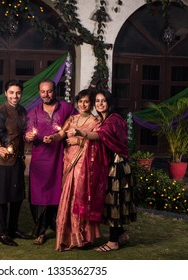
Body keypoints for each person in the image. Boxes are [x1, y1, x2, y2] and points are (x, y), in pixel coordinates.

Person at [67, 89, 137, 252]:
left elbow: (99, 136)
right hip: (108, 164)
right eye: (97, 101)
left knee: (113, 202)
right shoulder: (102, 119)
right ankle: (120, 235)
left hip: (117, 165)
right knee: (109, 200)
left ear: (109, 103)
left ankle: (113, 242)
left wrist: (80, 133)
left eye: (103, 101)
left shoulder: (114, 120)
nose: (100, 104)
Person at [43, 89, 101, 251]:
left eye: (86, 102)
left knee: (79, 196)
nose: (83, 104)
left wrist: (77, 140)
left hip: (84, 163)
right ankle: (68, 236)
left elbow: (97, 142)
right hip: (69, 161)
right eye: (80, 101)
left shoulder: (95, 121)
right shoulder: (72, 118)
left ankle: (82, 237)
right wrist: (52, 138)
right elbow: (61, 134)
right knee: (67, 194)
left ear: (91, 104)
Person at [25, 79, 77, 245]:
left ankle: (59, 228)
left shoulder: (66, 108)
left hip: (60, 157)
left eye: (49, 91)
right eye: (42, 91)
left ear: (55, 91)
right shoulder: (33, 112)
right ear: (39, 92)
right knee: (39, 194)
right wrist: (29, 136)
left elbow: (79, 121)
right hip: (40, 159)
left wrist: (65, 135)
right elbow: (27, 133)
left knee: (59, 193)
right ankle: (40, 231)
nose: (46, 95)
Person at [0, 80, 32, 246]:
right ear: (6, 93)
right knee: (2, 198)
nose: (15, 96)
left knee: (17, 197)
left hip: (17, 160)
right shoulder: (0, 113)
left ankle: (13, 229)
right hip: (3, 162)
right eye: (11, 93)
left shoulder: (22, 110)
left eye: (18, 93)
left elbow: (24, 132)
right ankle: (2, 233)